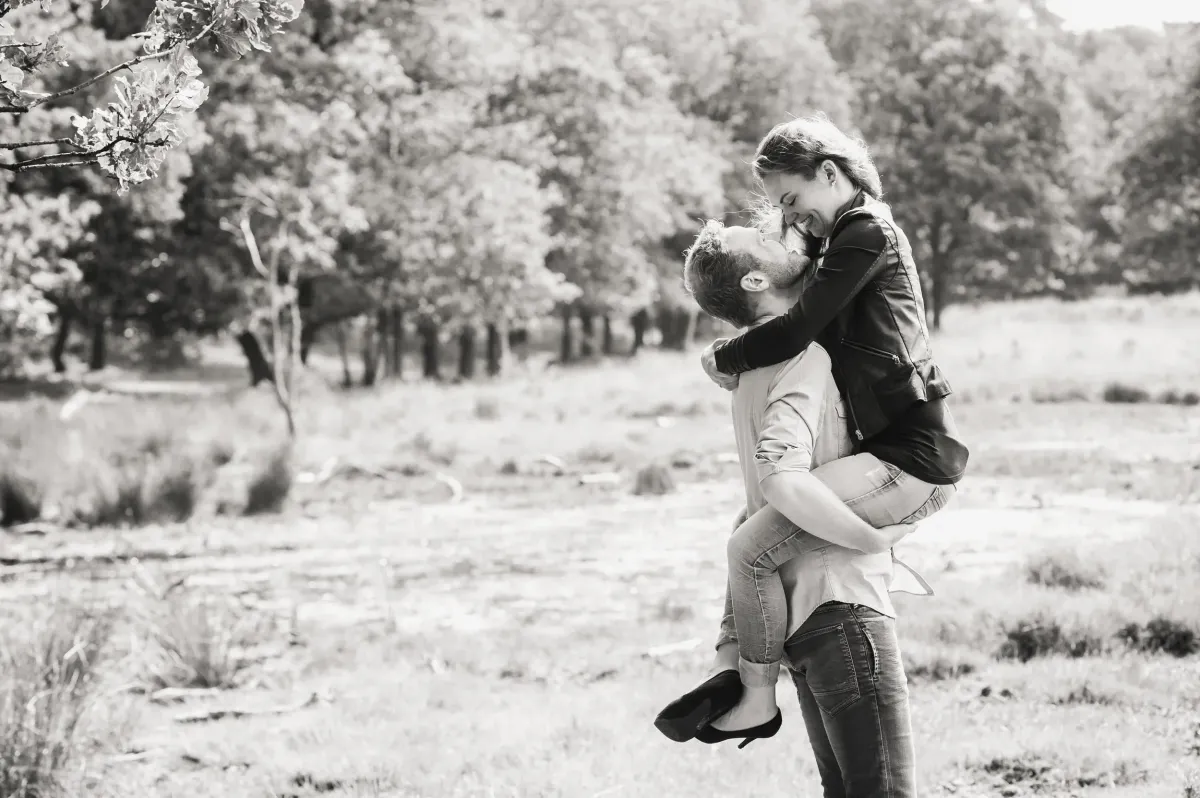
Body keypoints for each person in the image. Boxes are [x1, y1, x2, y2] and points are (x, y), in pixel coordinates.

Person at [693, 115, 969, 737]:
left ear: (829, 171)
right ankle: (728, 665)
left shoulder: (867, 231)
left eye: (792, 201)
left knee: (750, 542)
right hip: (887, 448)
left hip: (914, 452)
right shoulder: (834, 239)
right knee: (749, 524)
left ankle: (752, 690)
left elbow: (799, 327)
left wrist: (721, 357)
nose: (791, 220)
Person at [654, 221, 927, 795]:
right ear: (756, 277)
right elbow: (781, 481)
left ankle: (744, 679)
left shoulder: (748, 371)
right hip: (841, 602)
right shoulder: (803, 357)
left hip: (796, 619)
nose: (787, 238)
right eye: (770, 240)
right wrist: (869, 537)